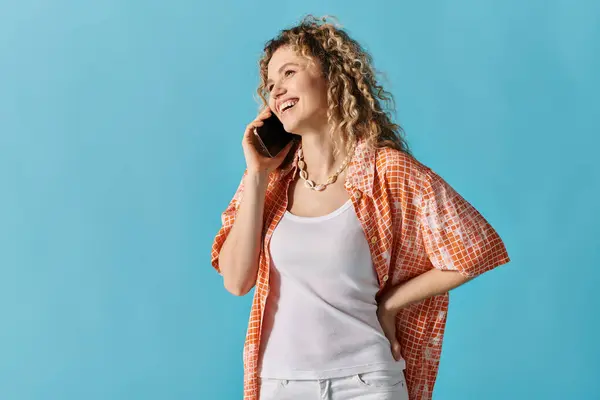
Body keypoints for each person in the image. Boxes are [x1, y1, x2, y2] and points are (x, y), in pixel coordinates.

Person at [210, 15, 511, 400]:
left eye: (289, 72)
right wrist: (256, 174)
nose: (277, 90)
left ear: (332, 76)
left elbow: (476, 248)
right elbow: (236, 281)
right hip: (281, 384)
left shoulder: (385, 172)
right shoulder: (272, 180)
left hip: (367, 381)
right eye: (270, 84)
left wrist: (390, 304)